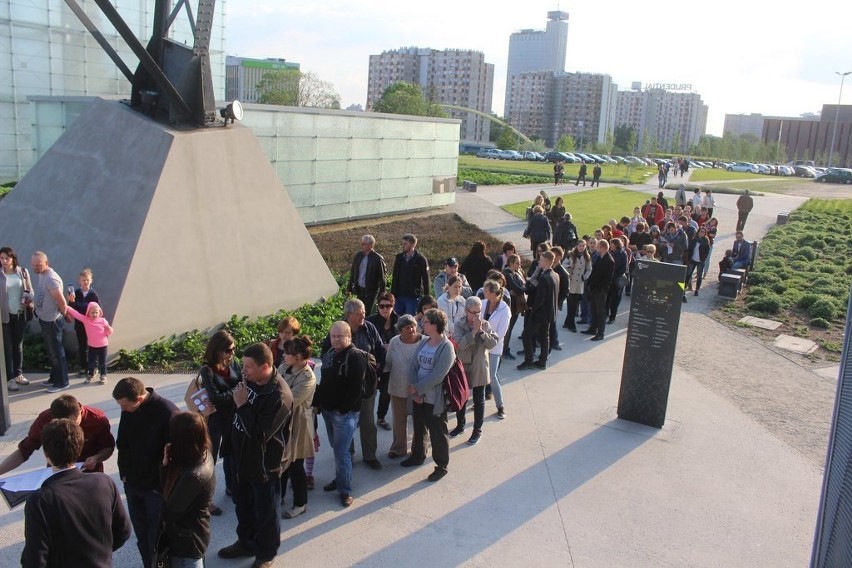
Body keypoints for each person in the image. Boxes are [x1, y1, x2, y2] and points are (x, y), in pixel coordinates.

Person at [218, 343, 293, 568]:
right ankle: (246, 542)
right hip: (240, 458)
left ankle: (266, 554)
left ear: (266, 366)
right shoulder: (248, 381)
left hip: (263, 465)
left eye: (250, 367)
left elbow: (260, 434)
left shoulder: (279, 395)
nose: (245, 371)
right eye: (244, 365)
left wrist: (242, 406)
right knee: (243, 505)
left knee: (266, 512)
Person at [21, 419, 131, 568]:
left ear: (47, 454)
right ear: (79, 448)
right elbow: (123, 531)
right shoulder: (104, 482)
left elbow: (35, 559)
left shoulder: (40, 500)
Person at [113, 376, 179, 568]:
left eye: (124, 406)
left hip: (156, 489)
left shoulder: (167, 412)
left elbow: (174, 455)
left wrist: (162, 483)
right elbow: (123, 444)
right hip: (133, 484)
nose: (122, 410)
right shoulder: (128, 409)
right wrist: (124, 473)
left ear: (139, 399)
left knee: (157, 538)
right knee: (142, 536)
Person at [321, 299, 386, 471]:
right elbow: (326, 359)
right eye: (359, 313)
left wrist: (376, 374)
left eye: (364, 311)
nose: (363, 315)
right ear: (349, 315)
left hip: (366, 387)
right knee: (345, 422)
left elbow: (380, 351)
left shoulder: (370, 328)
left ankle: (370, 456)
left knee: (367, 421)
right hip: (344, 389)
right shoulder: (336, 332)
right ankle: (347, 455)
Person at [0, 394, 114, 476]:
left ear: (79, 411)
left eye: (72, 423)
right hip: (56, 476)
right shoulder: (44, 419)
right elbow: (25, 449)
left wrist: (96, 458)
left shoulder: (97, 420)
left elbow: (108, 447)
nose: (68, 428)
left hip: (90, 476)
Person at [314, 322, 364, 507]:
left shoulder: (355, 357)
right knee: (337, 451)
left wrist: (343, 410)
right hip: (328, 412)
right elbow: (325, 382)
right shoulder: (329, 355)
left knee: (342, 453)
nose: (335, 339)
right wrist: (319, 404)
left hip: (344, 416)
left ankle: (345, 490)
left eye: (339, 336)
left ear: (349, 337)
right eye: (333, 336)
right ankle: (340, 479)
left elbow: (355, 389)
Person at [402, 309, 455, 482]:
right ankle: (418, 455)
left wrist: (417, 389)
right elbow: (413, 366)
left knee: (438, 432)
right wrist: (415, 390)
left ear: (434, 324)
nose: (421, 324)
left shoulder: (446, 348)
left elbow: (438, 375)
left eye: (425, 322)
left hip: (434, 398)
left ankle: (441, 466)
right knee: (419, 427)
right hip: (419, 396)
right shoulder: (424, 342)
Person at [158, 412, 215, 568]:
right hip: (193, 534)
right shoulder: (203, 453)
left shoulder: (193, 477)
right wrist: (167, 464)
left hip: (186, 542)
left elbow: (168, 511)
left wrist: (165, 470)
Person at [199, 330, 241, 514]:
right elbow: (215, 397)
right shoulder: (207, 370)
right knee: (210, 459)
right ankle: (206, 500)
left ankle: (232, 487)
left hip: (233, 416)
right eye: (228, 350)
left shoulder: (234, 363)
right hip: (215, 419)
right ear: (217, 350)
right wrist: (236, 393)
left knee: (231, 454)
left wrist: (234, 393)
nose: (232, 353)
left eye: (233, 349)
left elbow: (242, 382)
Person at [278, 337, 316, 520]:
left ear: (299, 356)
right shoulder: (285, 368)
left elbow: (289, 401)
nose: (284, 356)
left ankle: (300, 504)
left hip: (299, 424)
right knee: (282, 462)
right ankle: (280, 495)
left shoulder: (308, 377)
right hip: (283, 423)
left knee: (295, 465)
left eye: (288, 353)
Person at [451, 296, 498, 445]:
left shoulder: (485, 324)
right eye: (474, 313)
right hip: (464, 366)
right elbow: (460, 344)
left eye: (479, 312)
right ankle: (460, 425)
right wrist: (472, 333)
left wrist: (482, 332)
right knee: (462, 398)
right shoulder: (459, 325)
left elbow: (493, 343)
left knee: (479, 399)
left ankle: (477, 430)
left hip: (479, 366)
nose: (477, 316)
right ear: (466, 311)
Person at [31, 251, 70, 393]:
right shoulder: (42, 275)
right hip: (44, 318)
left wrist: (63, 314)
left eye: (38, 265)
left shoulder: (51, 279)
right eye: (34, 265)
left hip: (52, 320)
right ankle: (54, 378)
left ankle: (62, 382)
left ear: (46, 263)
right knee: (51, 351)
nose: (35, 268)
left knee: (56, 351)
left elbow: (61, 301)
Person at [383, 314, 421, 459]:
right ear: (400, 330)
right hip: (397, 387)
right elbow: (388, 363)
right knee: (399, 420)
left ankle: (417, 448)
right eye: (407, 327)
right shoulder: (394, 342)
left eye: (413, 326)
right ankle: (399, 448)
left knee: (418, 420)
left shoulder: (423, 341)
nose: (411, 329)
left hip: (417, 388)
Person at [517, 251, 559, 370]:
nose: (538, 262)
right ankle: (542, 361)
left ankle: (529, 360)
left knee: (526, 335)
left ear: (546, 262)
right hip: (550, 313)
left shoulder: (544, 278)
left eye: (540, 260)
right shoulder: (555, 275)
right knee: (544, 336)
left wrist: (532, 309)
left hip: (540, 314)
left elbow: (540, 299)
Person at [0, 246, 33, 391]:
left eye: (7, 258)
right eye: (1, 258)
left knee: (18, 346)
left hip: (20, 314)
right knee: (7, 347)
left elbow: (30, 291)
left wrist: (28, 298)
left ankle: (19, 374)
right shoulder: (0, 275)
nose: (4, 261)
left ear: (13, 258)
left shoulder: (23, 272)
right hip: (4, 316)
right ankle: (10, 378)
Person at [366, 292, 398, 432]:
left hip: (390, 364)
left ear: (393, 306)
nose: (384, 308)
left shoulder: (398, 322)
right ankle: (363, 418)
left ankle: (381, 418)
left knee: (386, 393)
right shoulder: (370, 321)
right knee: (368, 393)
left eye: (388, 305)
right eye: (381, 305)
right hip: (373, 364)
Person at [481, 280, 510, 418]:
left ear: (492, 293)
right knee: (479, 376)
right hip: (480, 346)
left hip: (494, 347)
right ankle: (479, 401)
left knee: (492, 376)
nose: (483, 292)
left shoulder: (505, 310)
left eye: (486, 291)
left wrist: (486, 336)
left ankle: (500, 406)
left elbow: (501, 333)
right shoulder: (483, 303)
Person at [64, 301, 112, 384]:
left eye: (96, 312)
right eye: (92, 312)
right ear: (88, 312)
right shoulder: (86, 320)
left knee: (102, 362)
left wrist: (109, 329)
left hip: (103, 346)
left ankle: (103, 375)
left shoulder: (103, 321)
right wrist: (67, 307)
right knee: (91, 362)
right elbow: (76, 314)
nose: (94, 314)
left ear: (99, 312)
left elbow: (109, 332)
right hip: (92, 346)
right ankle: (90, 375)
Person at [66, 268, 99, 377]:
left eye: (87, 280)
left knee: (93, 346)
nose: (85, 282)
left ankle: (93, 366)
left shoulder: (93, 294)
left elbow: (96, 309)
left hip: (91, 325)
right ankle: (83, 367)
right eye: (83, 280)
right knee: (82, 346)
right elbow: (73, 309)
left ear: (91, 280)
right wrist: (71, 302)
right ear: (79, 281)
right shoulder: (77, 293)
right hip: (80, 325)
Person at [346, 234, 387, 315]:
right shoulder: (358, 256)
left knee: (367, 311)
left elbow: (382, 276)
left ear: (371, 245)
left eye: (364, 244)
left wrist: (382, 291)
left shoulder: (378, 258)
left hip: (371, 290)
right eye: (362, 243)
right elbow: (353, 272)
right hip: (360, 289)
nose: (362, 245)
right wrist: (349, 288)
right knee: (359, 310)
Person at [391, 233, 430, 316]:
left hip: (412, 298)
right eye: (402, 243)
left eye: (405, 244)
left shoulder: (420, 259)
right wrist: (392, 294)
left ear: (413, 245)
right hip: (398, 296)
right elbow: (395, 277)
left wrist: (426, 298)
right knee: (396, 321)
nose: (403, 245)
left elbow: (426, 279)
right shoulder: (399, 258)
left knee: (409, 321)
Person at [583, 240, 614, 341]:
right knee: (594, 310)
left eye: (598, 246)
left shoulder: (609, 260)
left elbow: (607, 278)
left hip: (600, 291)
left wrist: (599, 288)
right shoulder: (601, 257)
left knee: (600, 312)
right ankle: (593, 329)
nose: (596, 248)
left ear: (603, 247)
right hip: (594, 289)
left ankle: (600, 333)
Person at [563, 241, 592, 332]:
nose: (582, 247)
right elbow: (563, 265)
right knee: (570, 304)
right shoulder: (571, 254)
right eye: (580, 246)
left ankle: (567, 322)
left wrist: (584, 277)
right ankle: (571, 324)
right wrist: (569, 267)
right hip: (571, 282)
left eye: (583, 246)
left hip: (579, 283)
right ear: (577, 246)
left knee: (574, 304)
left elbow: (589, 269)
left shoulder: (587, 256)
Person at [502, 254, 526, 360]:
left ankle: (505, 349)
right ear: (511, 263)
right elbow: (518, 288)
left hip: (515, 306)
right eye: (517, 263)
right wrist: (521, 288)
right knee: (507, 329)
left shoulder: (515, 273)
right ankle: (504, 350)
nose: (519, 265)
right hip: (510, 306)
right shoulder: (507, 274)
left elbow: (522, 286)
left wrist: (521, 288)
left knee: (509, 329)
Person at [607, 239, 628, 324]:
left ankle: (612, 317)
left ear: (616, 245)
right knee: (607, 298)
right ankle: (606, 314)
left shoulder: (623, 254)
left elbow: (623, 268)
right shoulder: (609, 252)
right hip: (608, 279)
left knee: (614, 300)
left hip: (616, 280)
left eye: (611, 244)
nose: (610, 246)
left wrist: (614, 275)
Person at [685, 227, 711, 296]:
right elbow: (690, 248)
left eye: (703, 232)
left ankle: (697, 290)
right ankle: (683, 288)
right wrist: (689, 257)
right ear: (698, 232)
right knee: (688, 275)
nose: (701, 233)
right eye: (700, 231)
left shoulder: (706, 241)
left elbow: (707, 251)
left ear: (705, 234)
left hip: (700, 261)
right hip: (692, 260)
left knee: (699, 276)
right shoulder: (694, 240)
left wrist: (703, 259)